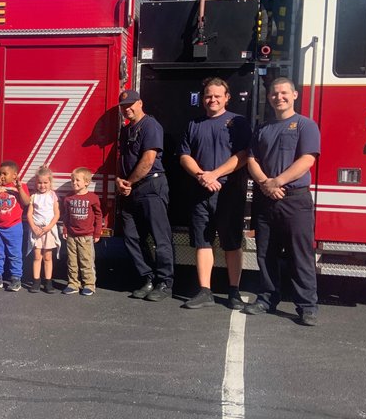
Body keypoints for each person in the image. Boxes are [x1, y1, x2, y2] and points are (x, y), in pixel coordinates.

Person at [245, 77, 321, 326]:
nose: (279, 97)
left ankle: (307, 306)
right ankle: (267, 299)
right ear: (269, 98)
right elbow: (252, 160)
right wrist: (265, 184)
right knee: (265, 253)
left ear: (294, 95)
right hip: (266, 199)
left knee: (300, 254)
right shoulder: (262, 129)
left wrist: (277, 182)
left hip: (295, 200)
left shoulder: (305, 125)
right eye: (274, 94)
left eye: (284, 93)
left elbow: (307, 160)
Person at [178, 78, 251, 310]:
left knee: (232, 243)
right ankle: (205, 291)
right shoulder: (194, 124)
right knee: (202, 241)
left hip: (229, 192)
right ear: (203, 98)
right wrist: (201, 175)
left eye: (218, 96)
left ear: (227, 98)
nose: (213, 100)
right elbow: (184, 156)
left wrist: (215, 174)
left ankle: (234, 291)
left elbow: (243, 155)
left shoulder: (238, 122)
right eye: (208, 96)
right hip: (200, 192)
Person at [115, 89, 174, 302]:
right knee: (131, 236)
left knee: (160, 238)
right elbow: (122, 159)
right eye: (123, 106)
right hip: (130, 190)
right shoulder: (126, 130)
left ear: (140, 103)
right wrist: (119, 179)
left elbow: (148, 160)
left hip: (151, 187)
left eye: (130, 104)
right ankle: (147, 278)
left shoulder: (150, 126)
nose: (127, 109)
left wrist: (128, 182)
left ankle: (165, 282)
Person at [0, 161, 30, 291]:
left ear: (14, 175)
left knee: (14, 254)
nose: (1, 176)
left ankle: (16, 278)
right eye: (0, 173)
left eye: (5, 174)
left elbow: (26, 202)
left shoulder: (21, 186)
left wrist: (19, 188)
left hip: (14, 227)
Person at [62, 166, 104, 296]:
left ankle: (89, 284)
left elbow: (98, 216)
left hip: (86, 236)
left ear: (86, 182)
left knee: (86, 261)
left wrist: (97, 232)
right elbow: (66, 215)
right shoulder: (68, 198)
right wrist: (65, 229)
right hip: (71, 235)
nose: (74, 183)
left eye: (77, 180)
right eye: (72, 180)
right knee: (72, 261)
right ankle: (73, 283)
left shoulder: (92, 198)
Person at [26, 166, 60, 293]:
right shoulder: (34, 196)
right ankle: (36, 281)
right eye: (40, 182)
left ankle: (48, 282)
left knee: (48, 257)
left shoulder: (52, 195)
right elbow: (29, 214)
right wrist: (33, 227)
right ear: (36, 183)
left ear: (50, 182)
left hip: (48, 230)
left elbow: (57, 214)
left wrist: (49, 227)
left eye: (45, 182)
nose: (42, 185)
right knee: (37, 256)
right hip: (36, 231)